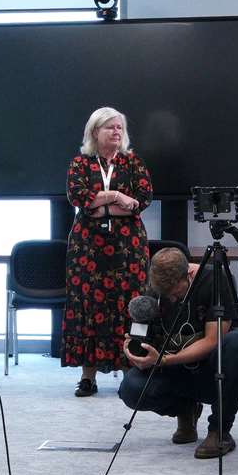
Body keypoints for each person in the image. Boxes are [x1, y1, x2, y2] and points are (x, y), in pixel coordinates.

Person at [118, 246, 238, 457]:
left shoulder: (215, 281)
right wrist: (136, 349)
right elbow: (142, 331)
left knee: (237, 343)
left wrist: (163, 360)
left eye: (175, 291)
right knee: (132, 389)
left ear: (188, 274)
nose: (170, 297)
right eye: (165, 293)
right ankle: (185, 410)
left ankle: (219, 430)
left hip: (212, 370)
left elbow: (212, 340)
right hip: (175, 369)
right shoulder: (156, 288)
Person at [62, 106, 153, 397]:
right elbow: (78, 197)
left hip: (128, 248)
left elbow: (142, 198)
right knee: (88, 306)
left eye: (119, 128)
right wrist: (115, 197)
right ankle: (88, 377)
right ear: (94, 132)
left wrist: (100, 205)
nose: (116, 132)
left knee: (128, 307)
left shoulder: (132, 162)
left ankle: (130, 371)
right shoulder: (80, 163)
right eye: (110, 127)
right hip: (87, 248)